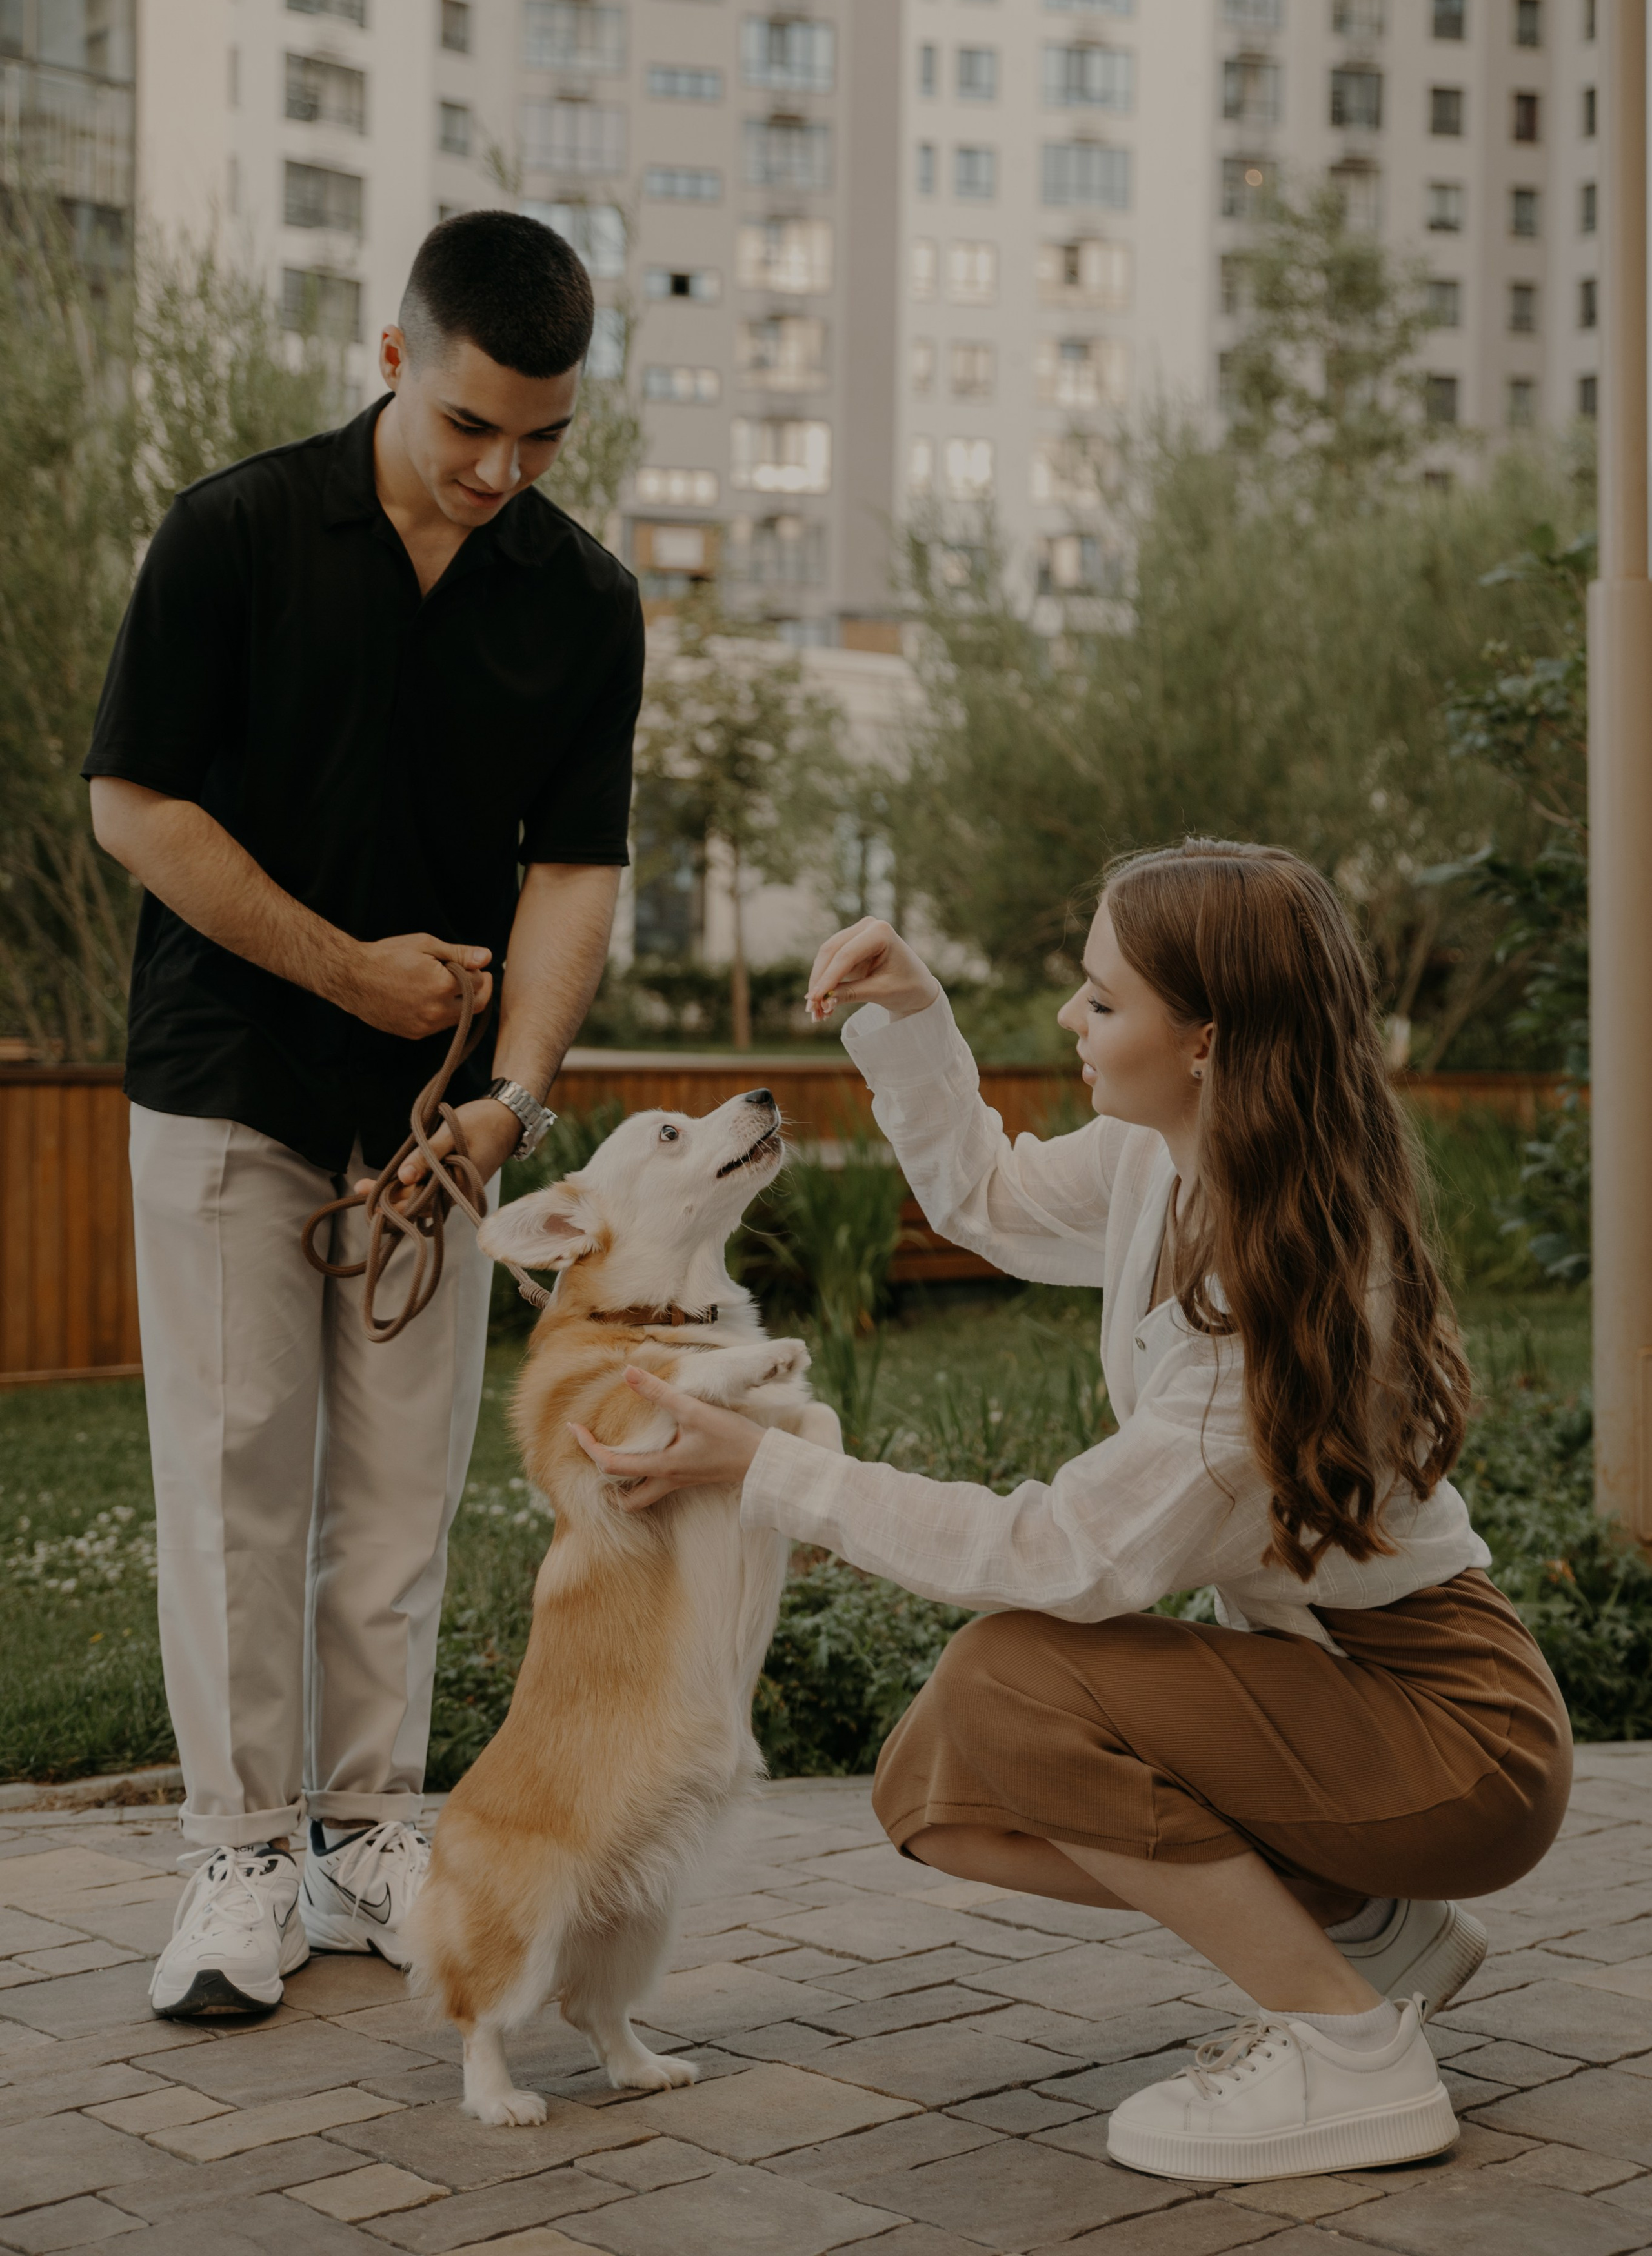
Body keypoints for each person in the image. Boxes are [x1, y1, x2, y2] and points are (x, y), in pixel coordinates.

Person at [572, 841, 1571, 2182]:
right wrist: (912, 1017)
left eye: (1101, 1001)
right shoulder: (1178, 1161)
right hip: (1343, 1689)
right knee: (939, 1781)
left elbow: (1055, 1558)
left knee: (1010, 1685)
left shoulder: (1266, 1321)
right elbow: (984, 1196)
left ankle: (1347, 2052)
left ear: (1205, 1037)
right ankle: (1365, 1931)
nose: (1069, 1018)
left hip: (1454, 1736)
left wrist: (764, 1466)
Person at [84, 209, 644, 2022]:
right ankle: (240, 1856)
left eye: (544, 438)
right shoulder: (235, 531)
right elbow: (137, 810)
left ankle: (363, 1828)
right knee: (238, 1482)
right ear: (396, 358)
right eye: (474, 424)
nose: (504, 469)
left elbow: (574, 871)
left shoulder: (583, 598)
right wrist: (353, 976)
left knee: (401, 1501)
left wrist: (514, 1101)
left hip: (434, 1130)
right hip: (231, 1077)